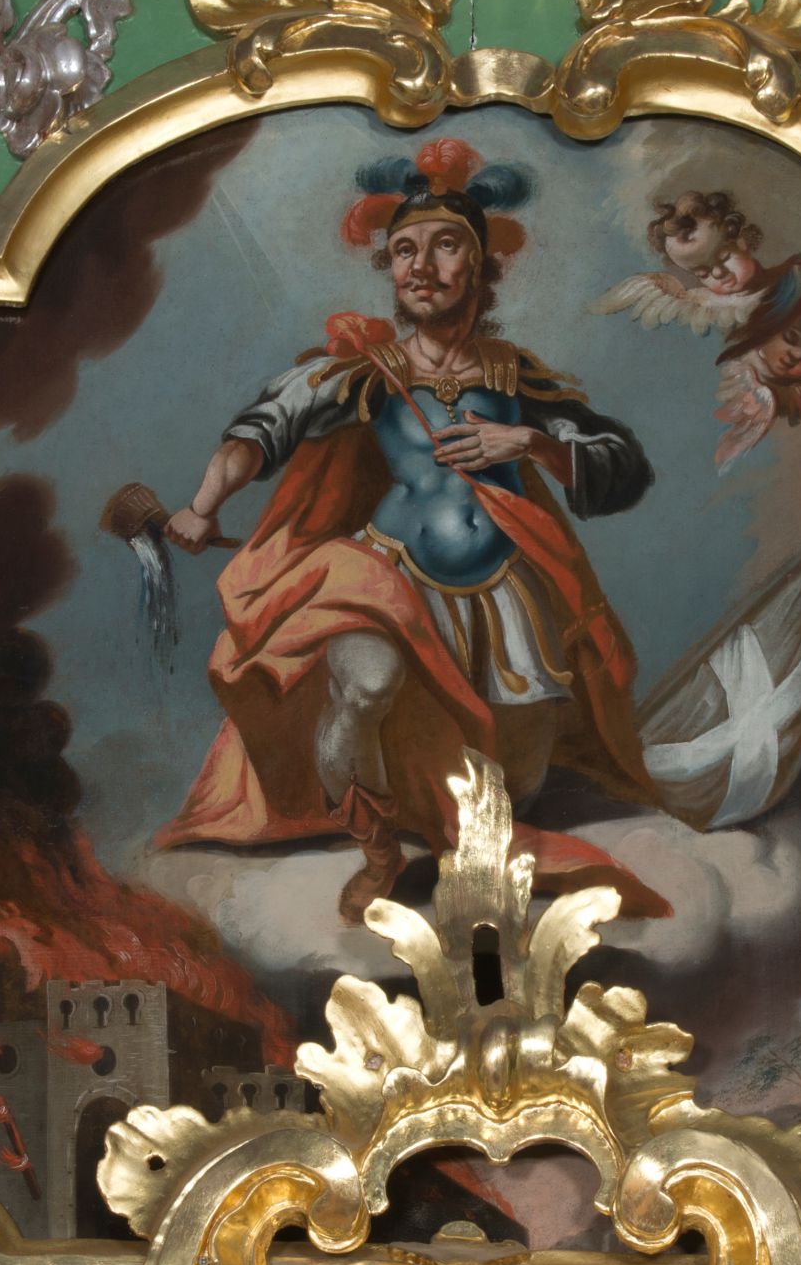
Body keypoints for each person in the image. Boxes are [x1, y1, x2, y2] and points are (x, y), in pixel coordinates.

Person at [152, 139, 670, 924]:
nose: (421, 266)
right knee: (366, 686)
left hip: (503, 599)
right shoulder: (364, 368)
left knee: (512, 787)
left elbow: (621, 464)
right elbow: (260, 431)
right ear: (388, 268)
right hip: (382, 584)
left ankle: (447, 827)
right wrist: (200, 505)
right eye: (404, 251)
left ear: (482, 267)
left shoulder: (515, 378)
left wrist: (529, 442)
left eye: (446, 245)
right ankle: (378, 851)